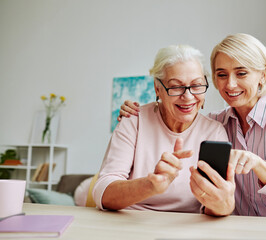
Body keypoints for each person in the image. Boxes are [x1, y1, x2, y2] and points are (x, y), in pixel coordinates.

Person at [118, 33, 266, 219]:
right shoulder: (217, 124)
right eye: (221, 75)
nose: (230, 84)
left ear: (263, 75)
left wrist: (259, 165)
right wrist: (136, 111)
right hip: (248, 229)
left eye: (241, 73)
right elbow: (183, 113)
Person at [92, 44, 235, 216]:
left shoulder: (214, 131)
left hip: (189, 226)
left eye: (196, 85)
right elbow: (103, 192)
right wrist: (150, 185)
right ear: (157, 89)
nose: (188, 96)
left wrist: (222, 204)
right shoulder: (134, 121)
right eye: (176, 87)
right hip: (132, 222)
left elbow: (214, 204)